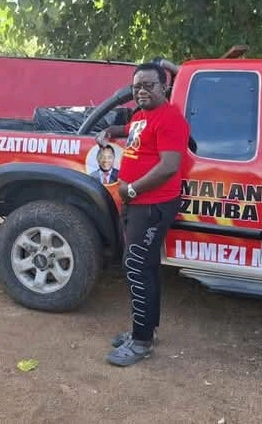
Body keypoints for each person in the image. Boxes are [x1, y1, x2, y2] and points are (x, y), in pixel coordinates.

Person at [95, 62, 190, 367]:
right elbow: (132, 132)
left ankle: (141, 342)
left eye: (149, 85)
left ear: (164, 87)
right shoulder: (141, 116)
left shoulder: (171, 119)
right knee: (145, 266)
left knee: (136, 266)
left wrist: (132, 190)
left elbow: (169, 166)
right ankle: (146, 329)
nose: (142, 91)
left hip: (152, 205)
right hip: (136, 203)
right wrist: (111, 131)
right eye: (137, 86)